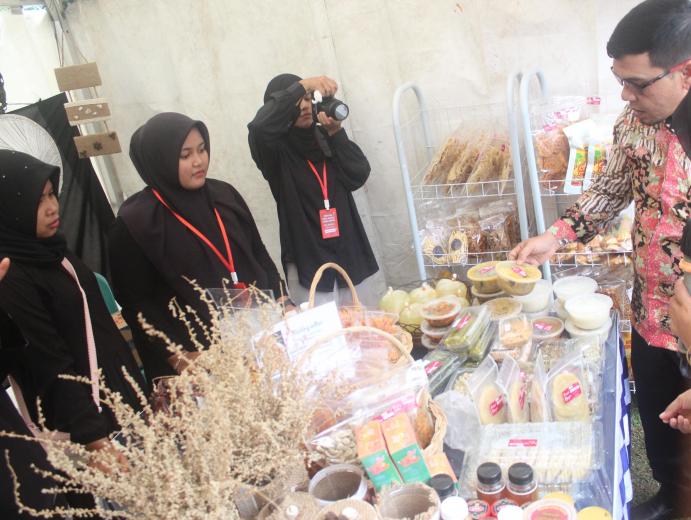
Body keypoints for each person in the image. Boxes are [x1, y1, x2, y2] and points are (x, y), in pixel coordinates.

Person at [510, 1, 691, 518]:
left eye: (637, 83)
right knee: (660, 416)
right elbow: (611, 189)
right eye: (620, 81)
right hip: (650, 309)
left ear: (685, 72)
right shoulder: (633, 123)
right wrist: (557, 235)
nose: (625, 95)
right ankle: (670, 494)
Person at [0, 151, 145, 507]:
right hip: (85, 427)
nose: (52, 207)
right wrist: (96, 440)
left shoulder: (55, 253)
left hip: (117, 404)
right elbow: (50, 363)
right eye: (37, 200)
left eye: (51, 194)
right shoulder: (13, 276)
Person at [109, 112, 288, 383]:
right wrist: (179, 356)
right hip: (200, 359)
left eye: (202, 149)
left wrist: (284, 301)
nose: (198, 161)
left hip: (258, 338)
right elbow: (137, 304)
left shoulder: (224, 195)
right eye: (185, 155)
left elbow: (258, 253)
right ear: (160, 159)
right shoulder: (137, 222)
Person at [248, 74, 379, 306]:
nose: (305, 106)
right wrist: (305, 85)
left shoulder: (326, 138)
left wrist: (336, 133)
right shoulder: (275, 152)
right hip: (307, 262)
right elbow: (259, 128)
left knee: (364, 325)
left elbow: (358, 174)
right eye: (297, 100)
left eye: (309, 98)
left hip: (350, 255)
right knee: (319, 329)